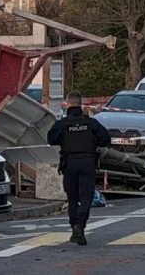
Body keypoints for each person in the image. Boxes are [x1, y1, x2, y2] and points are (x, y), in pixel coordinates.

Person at [47, 91, 111, 246]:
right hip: (88, 162)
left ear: (67, 104)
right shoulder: (91, 123)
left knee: (73, 198)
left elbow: (51, 140)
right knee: (86, 197)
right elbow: (105, 139)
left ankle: (75, 227)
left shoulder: (61, 124)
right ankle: (79, 226)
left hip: (69, 163)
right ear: (81, 104)